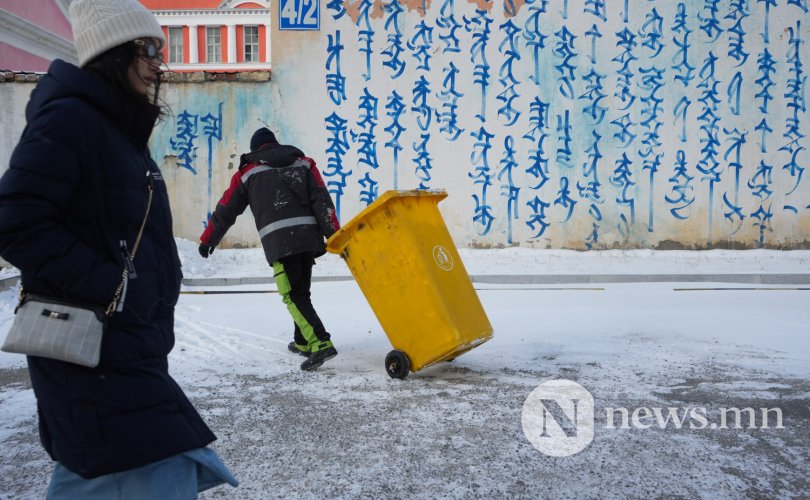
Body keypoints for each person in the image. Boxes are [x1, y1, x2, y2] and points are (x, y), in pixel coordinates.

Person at [0, 0, 237, 497]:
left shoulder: (116, 130)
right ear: (113, 52)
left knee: (127, 465)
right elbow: (14, 219)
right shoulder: (70, 121)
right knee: (149, 461)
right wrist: (112, 284)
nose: (159, 62)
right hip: (88, 344)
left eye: (161, 48)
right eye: (148, 48)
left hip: (124, 344)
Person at [198, 127, 341, 371]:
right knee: (301, 292)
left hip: (281, 242)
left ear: (256, 150)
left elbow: (227, 208)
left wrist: (209, 239)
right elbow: (322, 199)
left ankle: (320, 343)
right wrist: (335, 235)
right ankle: (303, 341)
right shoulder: (303, 164)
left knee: (292, 295)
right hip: (308, 239)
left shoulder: (249, 172)